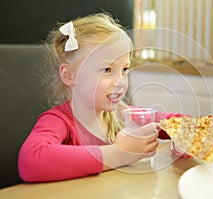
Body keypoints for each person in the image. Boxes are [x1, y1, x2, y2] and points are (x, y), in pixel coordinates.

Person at [18, 12, 184, 183]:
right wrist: (119, 153)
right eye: (107, 70)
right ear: (69, 75)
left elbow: (172, 122)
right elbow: (30, 161)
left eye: (124, 70)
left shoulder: (122, 114)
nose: (120, 82)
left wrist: (189, 133)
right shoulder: (58, 121)